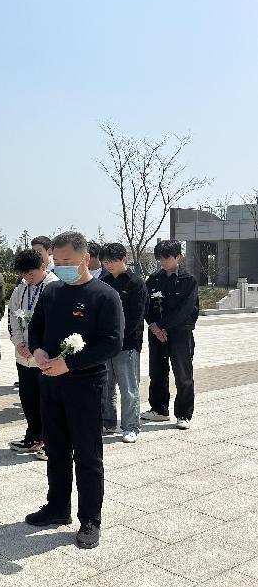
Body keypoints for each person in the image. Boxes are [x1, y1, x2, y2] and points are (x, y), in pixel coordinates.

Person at [26, 232, 123, 550]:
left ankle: (90, 519)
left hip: (85, 385)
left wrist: (69, 364)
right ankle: (57, 507)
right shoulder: (52, 291)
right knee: (55, 449)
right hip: (49, 382)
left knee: (87, 454)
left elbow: (112, 342)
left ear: (85, 258)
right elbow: (36, 325)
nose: (62, 266)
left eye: (68, 260)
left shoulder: (104, 295)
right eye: (57, 260)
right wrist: (38, 350)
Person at [142, 240, 199, 430]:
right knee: (157, 372)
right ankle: (159, 409)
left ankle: (183, 414)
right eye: (160, 259)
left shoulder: (188, 280)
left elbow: (187, 309)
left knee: (183, 374)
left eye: (167, 258)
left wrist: (162, 326)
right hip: (156, 334)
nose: (163, 262)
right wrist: (154, 327)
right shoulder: (153, 279)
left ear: (178, 257)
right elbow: (146, 306)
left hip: (180, 333)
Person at [7, 249, 58, 458]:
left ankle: (51, 441)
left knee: (47, 400)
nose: (28, 278)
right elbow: (13, 317)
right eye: (24, 274)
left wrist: (36, 346)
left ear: (43, 267)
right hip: (23, 356)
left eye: (31, 274)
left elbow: (55, 324)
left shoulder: (54, 287)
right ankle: (33, 436)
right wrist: (19, 342)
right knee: (28, 398)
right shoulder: (20, 289)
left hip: (44, 356)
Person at [99, 242, 147, 443]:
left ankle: (131, 426)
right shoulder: (103, 282)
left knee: (128, 388)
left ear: (123, 259)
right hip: (105, 344)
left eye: (112, 261)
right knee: (106, 386)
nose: (108, 265)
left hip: (127, 344)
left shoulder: (136, 283)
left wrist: (118, 338)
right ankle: (108, 422)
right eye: (105, 262)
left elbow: (136, 317)